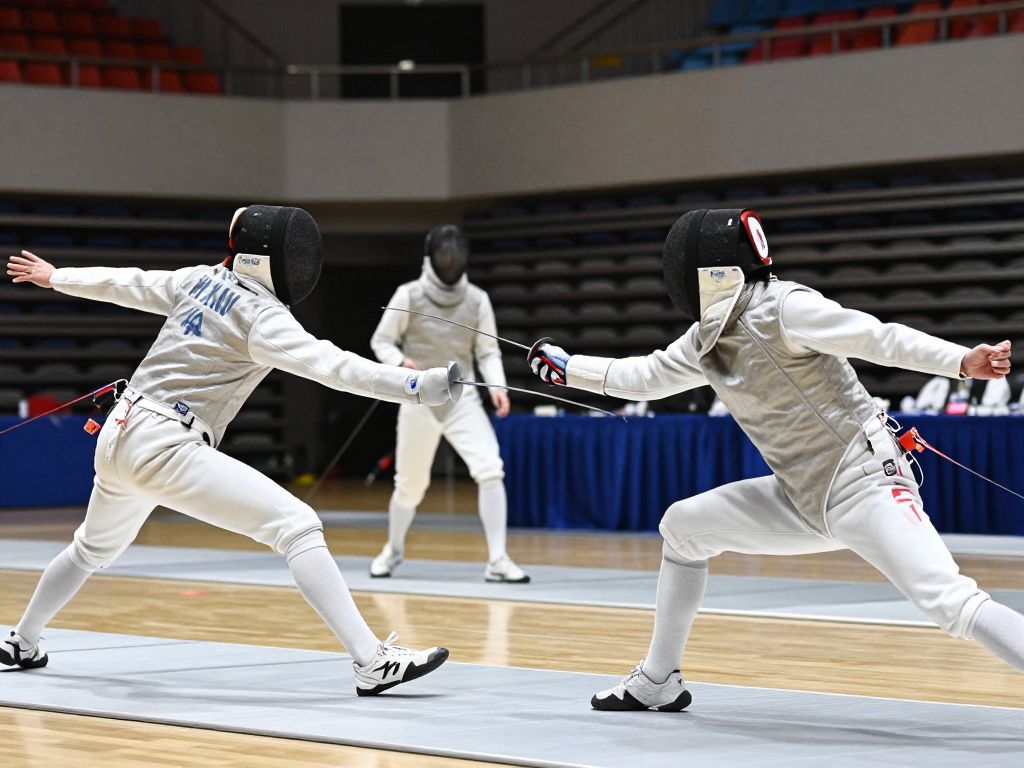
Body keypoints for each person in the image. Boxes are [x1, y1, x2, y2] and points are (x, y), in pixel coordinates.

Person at [529, 208, 1022, 711]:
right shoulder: (706, 341)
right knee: (682, 528)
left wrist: (959, 361)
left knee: (951, 602)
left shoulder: (785, 307)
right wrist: (567, 368)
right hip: (801, 497)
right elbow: (641, 377)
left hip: (863, 482)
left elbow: (877, 336)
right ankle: (658, 680)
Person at [2, 205, 457, 696]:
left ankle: (22, 641)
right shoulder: (262, 318)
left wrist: (57, 278)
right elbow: (336, 367)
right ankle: (372, 662)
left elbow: (129, 282)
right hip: (165, 443)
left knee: (89, 549)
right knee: (297, 525)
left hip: (119, 431)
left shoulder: (197, 281)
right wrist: (416, 385)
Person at [369, 225, 528, 583]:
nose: (450, 261)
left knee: (490, 469)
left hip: (462, 397)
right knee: (409, 487)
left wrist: (497, 386)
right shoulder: (408, 294)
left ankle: (498, 559)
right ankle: (393, 550)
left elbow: (487, 349)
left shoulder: (477, 299)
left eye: (455, 255)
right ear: (431, 258)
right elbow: (382, 340)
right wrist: (399, 363)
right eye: (444, 255)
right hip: (418, 399)